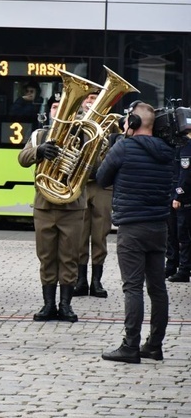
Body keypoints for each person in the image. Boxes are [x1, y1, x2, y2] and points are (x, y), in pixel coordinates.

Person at [98, 101, 173, 363]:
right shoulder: (167, 151)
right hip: (159, 226)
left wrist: (116, 143)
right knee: (158, 288)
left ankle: (130, 346)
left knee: (133, 288)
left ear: (134, 123)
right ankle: (154, 345)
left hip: (131, 227)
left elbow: (102, 178)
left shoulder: (124, 147)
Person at [17, 94, 83, 323]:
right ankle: (48, 304)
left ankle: (65, 305)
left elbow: (96, 166)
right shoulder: (40, 135)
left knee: (69, 256)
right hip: (45, 204)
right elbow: (22, 158)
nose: (58, 111)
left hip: (72, 205)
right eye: (55, 107)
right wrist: (39, 151)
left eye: (63, 107)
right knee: (46, 256)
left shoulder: (82, 135)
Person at [74, 92, 113, 298]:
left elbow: (114, 152)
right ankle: (80, 280)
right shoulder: (74, 123)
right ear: (82, 102)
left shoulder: (110, 124)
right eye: (87, 98)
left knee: (100, 234)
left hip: (102, 186)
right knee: (80, 235)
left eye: (95, 98)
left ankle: (96, 281)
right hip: (80, 185)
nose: (90, 102)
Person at [167, 139, 191, 283]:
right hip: (172, 193)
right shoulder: (175, 145)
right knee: (172, 233)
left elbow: (185, 173)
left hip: (182, 197)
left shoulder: (187, 146)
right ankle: (171, 264)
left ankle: (184, 269)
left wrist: (179, 196)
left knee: (183, 234)